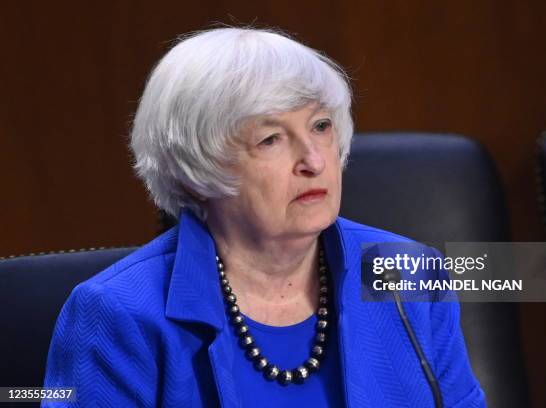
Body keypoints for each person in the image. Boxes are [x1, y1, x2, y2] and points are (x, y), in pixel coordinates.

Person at [43, 27, 486, 407]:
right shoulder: (118, 313)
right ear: (199, 168)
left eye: (320, 126)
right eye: (271, 139)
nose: (313, 160)